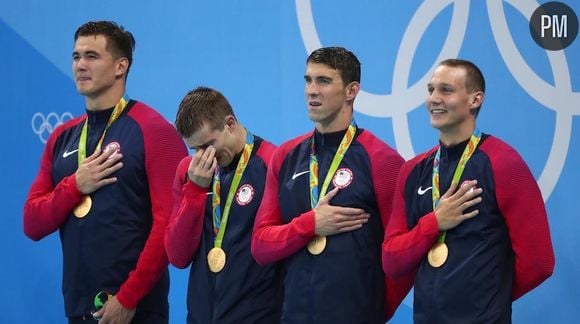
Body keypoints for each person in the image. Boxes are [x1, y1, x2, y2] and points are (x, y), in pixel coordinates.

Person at [23, 21, 187, 323]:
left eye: (92, 56)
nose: (80, 65)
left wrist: (128, 297)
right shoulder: (62, 137)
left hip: (135, 310)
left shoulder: (155, 131)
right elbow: (32, 223)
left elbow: (168, 226)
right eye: (76, 57)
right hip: (78, 310)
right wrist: (75, 185)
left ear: (120, 66)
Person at [382, 59, 555, 323]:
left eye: (446, 90)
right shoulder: (412, 171)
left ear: (475, 99)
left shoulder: (504, 163)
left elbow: (539, 262)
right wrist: (434, 223)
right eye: (430, 90)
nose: (434, 99)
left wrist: (486, 300)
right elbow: (392, 261)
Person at [251, 46, 410, 323]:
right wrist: (310, 224)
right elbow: (261, 245)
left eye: (323, 81)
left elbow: (401, 257)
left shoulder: (383, 161)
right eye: (308, 80)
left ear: (351, 91)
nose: (312, 90)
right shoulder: (286, 157)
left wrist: (371, 309)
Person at [165, 86, 283, 323]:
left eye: (207, 145)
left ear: (230, 124)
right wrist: (196, 191)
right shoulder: (188, 173)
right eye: (194, 149)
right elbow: (177, 256)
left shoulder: (272, 163)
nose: (203, 156)